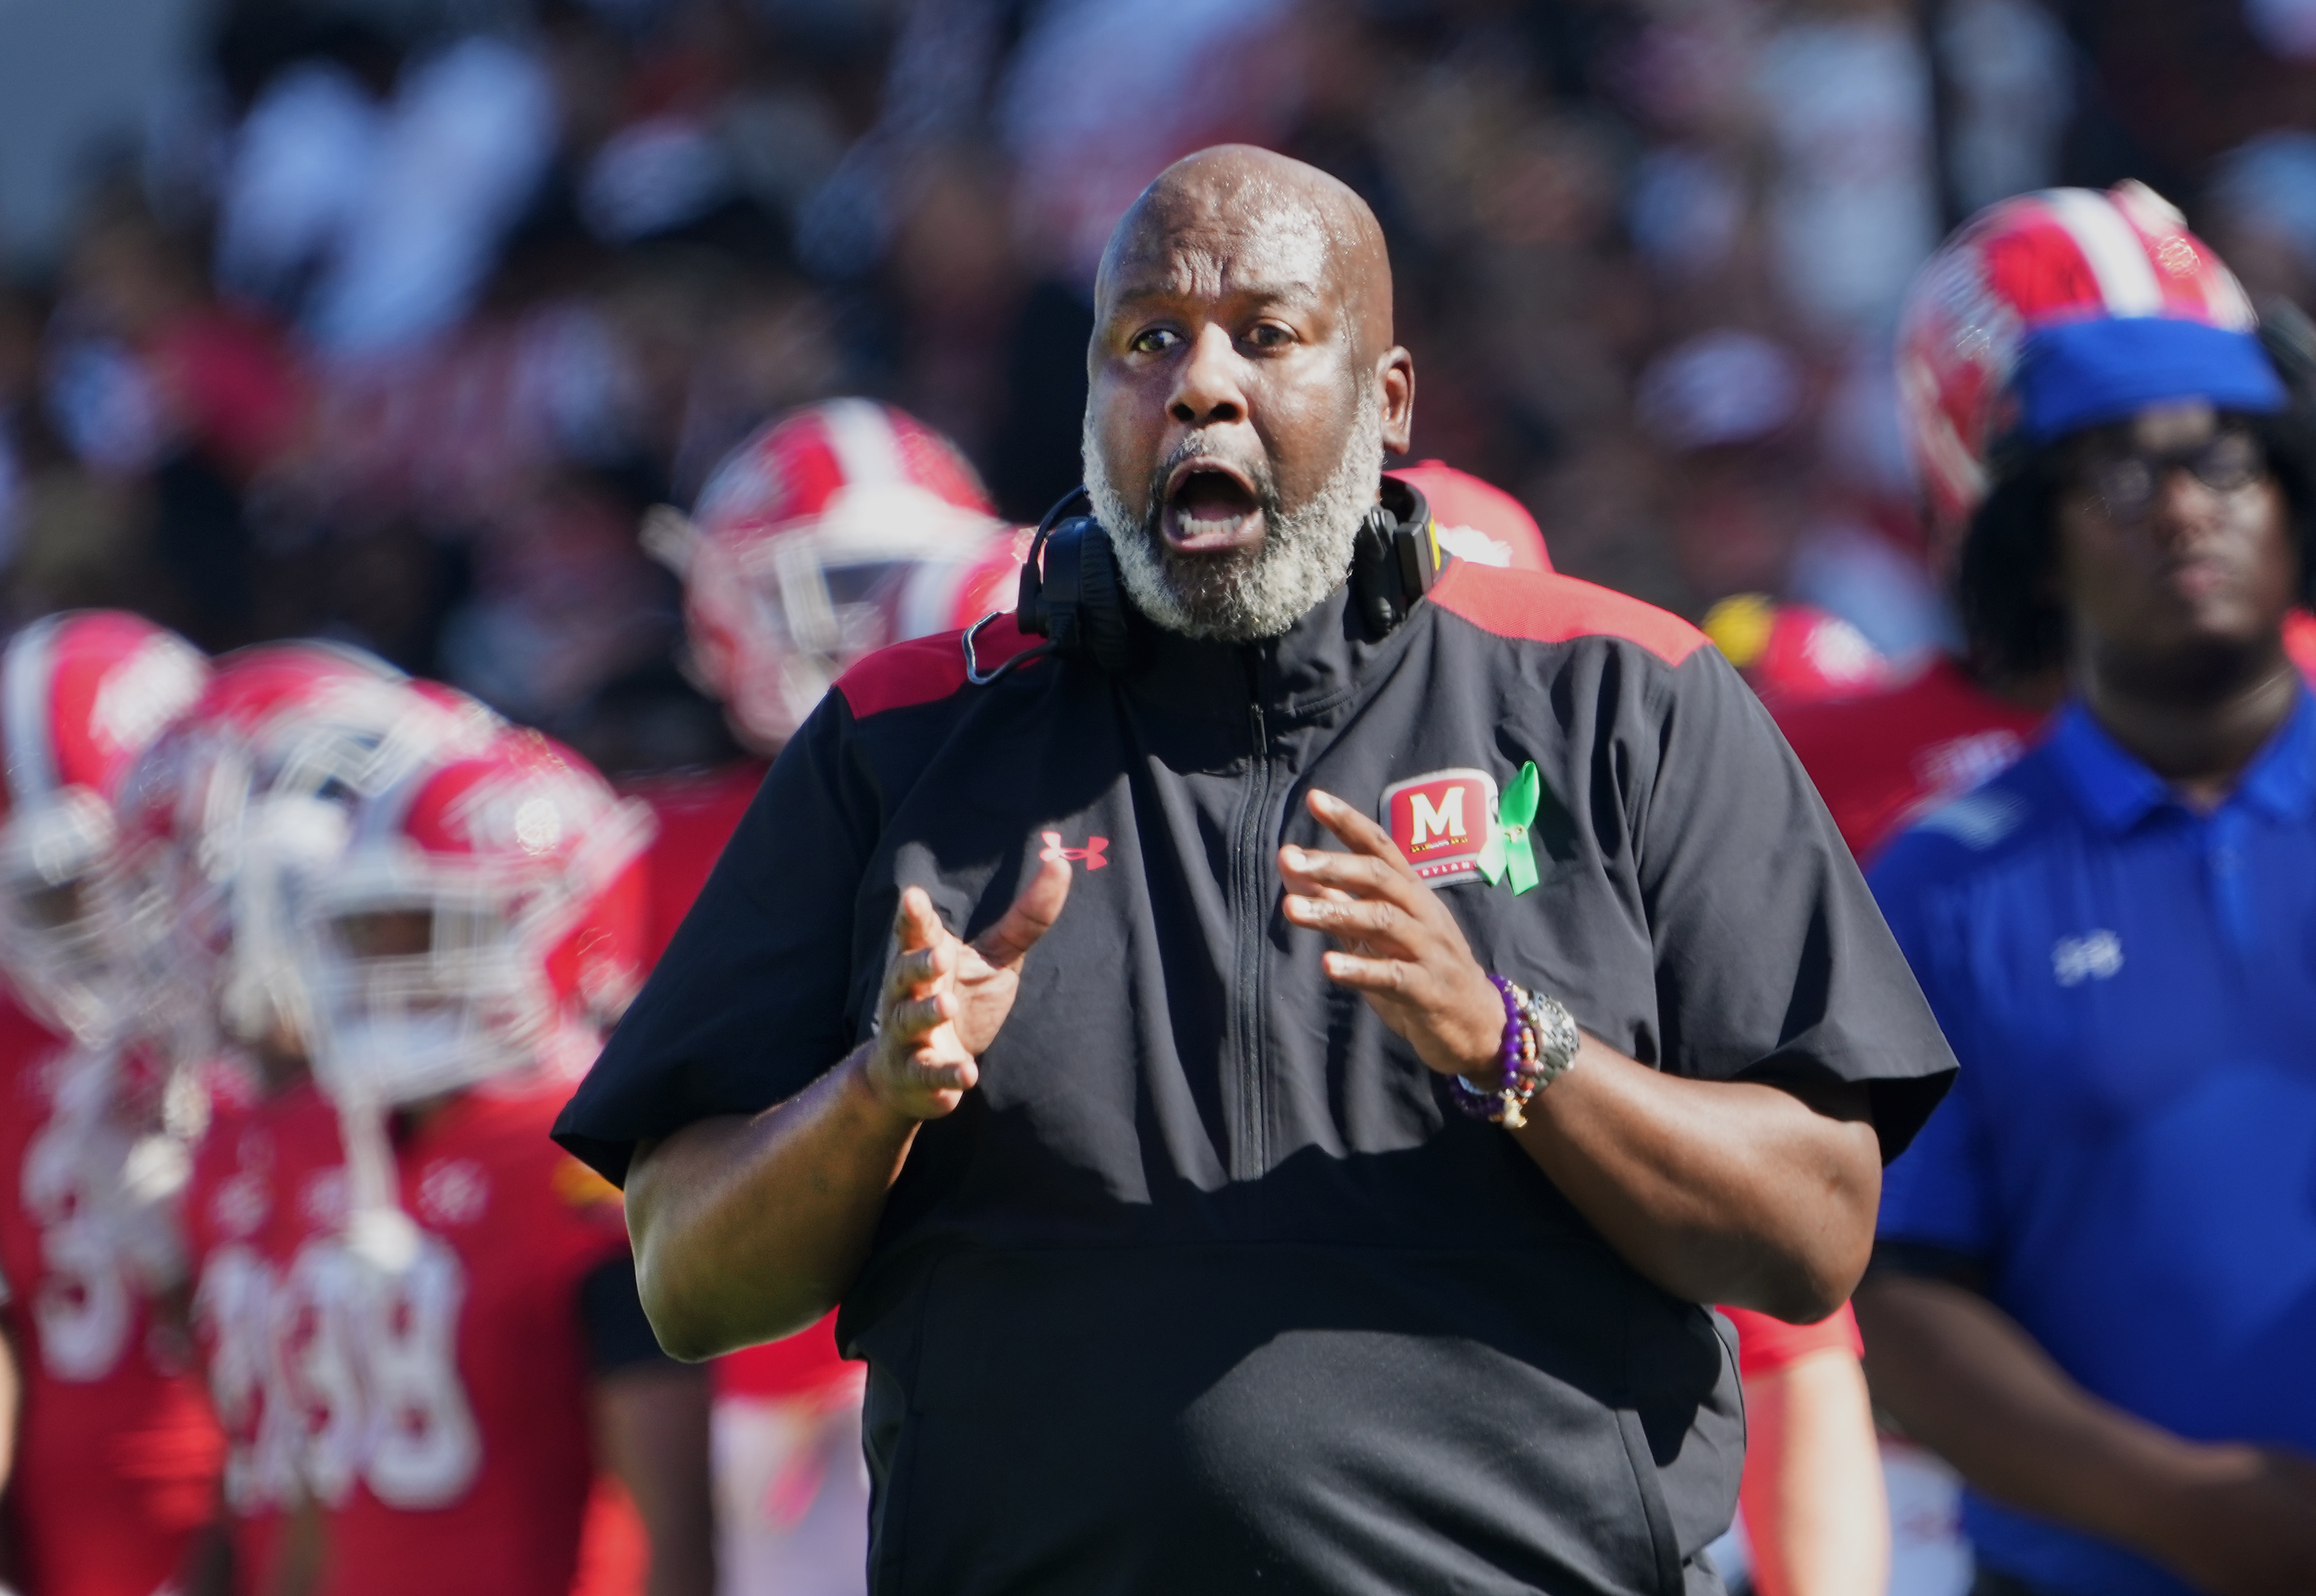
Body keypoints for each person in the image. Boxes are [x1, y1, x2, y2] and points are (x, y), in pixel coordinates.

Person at [555, 145, 1954, 1594]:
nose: (1198, 386)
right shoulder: (900, 737)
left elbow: (1814, 1229)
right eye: (1145, 340)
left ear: (1387, 400)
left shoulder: (1624, 690)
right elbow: (686, 1274)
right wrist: (872, 1096)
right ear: (1091, 397)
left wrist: (1514, 1045)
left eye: (1266, 336)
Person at [1857, 183, 2316, 1596]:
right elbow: (1902, 1292)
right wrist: (2185, 1510)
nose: (2182, 507)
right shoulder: (1939, 878)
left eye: (2225, 460)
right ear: (2030, 535)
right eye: (2115, 472)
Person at [636, 398, 1020, 1595]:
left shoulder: (1042, 790)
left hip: (1000, 1343)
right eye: (843, 579)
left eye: (906, 574)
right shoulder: (657, 843)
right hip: (772, 1375)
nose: (871, 619)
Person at [270, 727, 714, 1596]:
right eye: (370, 934)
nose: (388, 974)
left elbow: (679, 1524)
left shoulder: (583, 1152)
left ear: (560, 922)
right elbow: (320, 1489)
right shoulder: (349, 1140)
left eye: (426, 931)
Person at [0, 610, 223, 1596]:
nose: (93, 929)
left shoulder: (285, 1003)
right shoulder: (16, 1024)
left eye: (114, 881)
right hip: (68, 1532)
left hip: (270, 1512)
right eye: (54, 897)